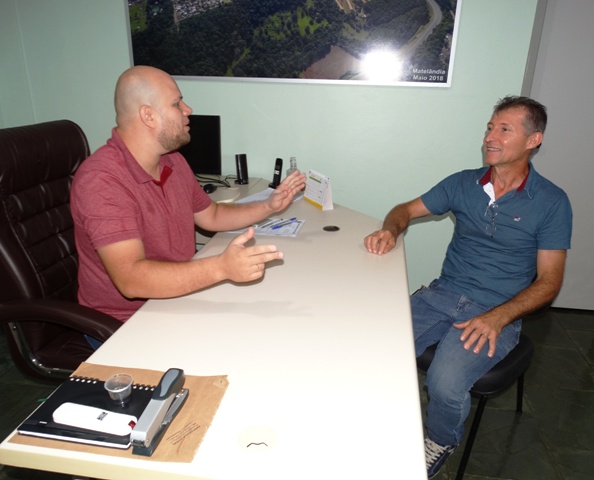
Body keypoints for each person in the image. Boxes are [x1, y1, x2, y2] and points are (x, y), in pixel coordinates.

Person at [364, 96, 572, 478]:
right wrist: (390, 230)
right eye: (490, 127)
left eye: (504, 129)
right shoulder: (463, 183)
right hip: (441, 294)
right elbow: (403, 210)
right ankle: (381, 423)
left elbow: (550, 282)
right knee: (371, 348)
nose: (490, 137)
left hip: (496, 310)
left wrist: (500, 317)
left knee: (444, 383)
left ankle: (439, 439)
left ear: (533, 140)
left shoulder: (552, 202)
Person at [71, 65, 306, 329]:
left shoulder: (172, 161)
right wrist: (221, 268)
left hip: (176, 300)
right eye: (177, 103)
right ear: (148, 116)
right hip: (127, 325)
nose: (188, 110)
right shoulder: (102, 180)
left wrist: (268, 205)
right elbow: (131, 279)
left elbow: (212, 215)